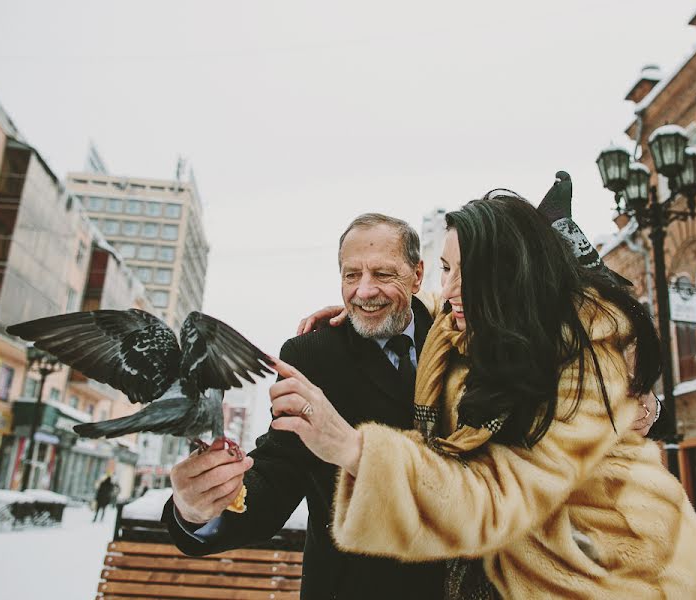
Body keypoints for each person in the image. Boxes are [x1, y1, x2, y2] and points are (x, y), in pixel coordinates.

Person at [162, 210, 661, 600]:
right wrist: (203, 506)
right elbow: (278, 473)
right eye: (350, 274)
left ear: (419, 273)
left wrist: (642, 404)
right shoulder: (315, 355)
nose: (364, 291)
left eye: (383, 273)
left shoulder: (473, 333)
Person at [270, 193, 696, 599]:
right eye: (446, 270)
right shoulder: (467, 333)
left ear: (514, 276)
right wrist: (368, 304)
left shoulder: (573, 370)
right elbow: (433, 303)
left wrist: (351, 447)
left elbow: (491, 500)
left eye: (472, 273)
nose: (449, 290)